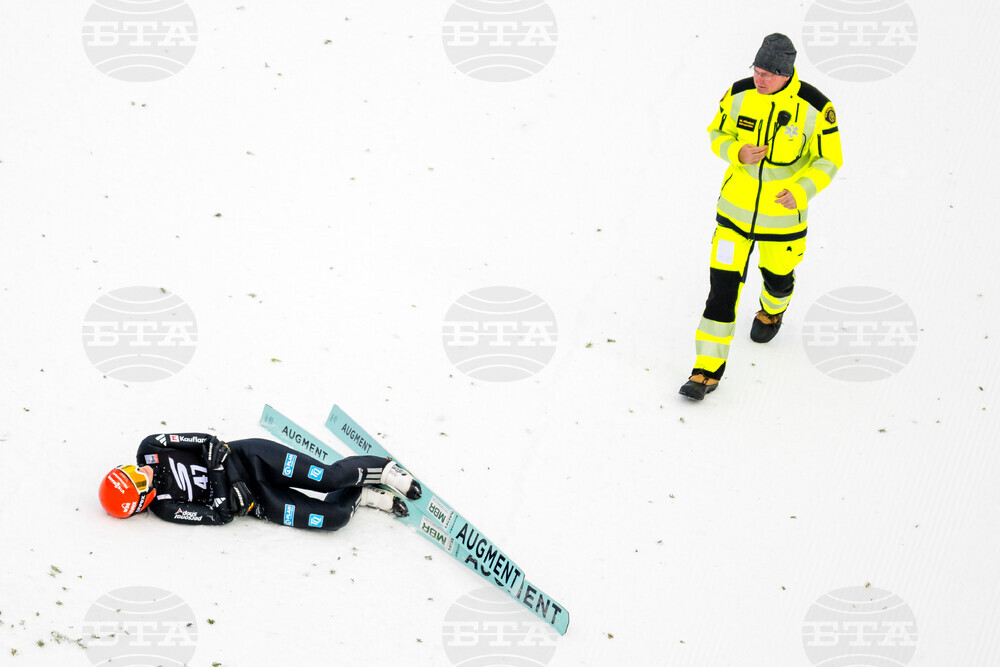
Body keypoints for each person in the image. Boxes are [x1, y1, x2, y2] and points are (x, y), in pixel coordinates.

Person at [680, 33, 843, 401]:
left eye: (768, 74)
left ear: (786, 73)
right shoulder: (739, 94)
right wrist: (736, 151)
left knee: (778, 279)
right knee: (721, 292)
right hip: (733, 217)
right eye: (757, 69)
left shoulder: (816, 107)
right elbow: (716, 132)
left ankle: (772, 311)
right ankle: (705, 371)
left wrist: (801, 190)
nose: (760, 78)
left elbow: (829, 159)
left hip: (782, 223)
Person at [98, 432, 422, 529]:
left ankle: (383, 469)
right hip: (256, 502)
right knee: (333, 518)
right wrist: (224, 480)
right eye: (138, 481)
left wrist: (226, 480)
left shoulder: (150, 447)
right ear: (143, 501)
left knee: (328, 478)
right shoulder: (166, 508)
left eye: (129, 469)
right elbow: (221, 516)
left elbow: (210, 444)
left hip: (251, 457)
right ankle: (362, 496)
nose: (141, 471)